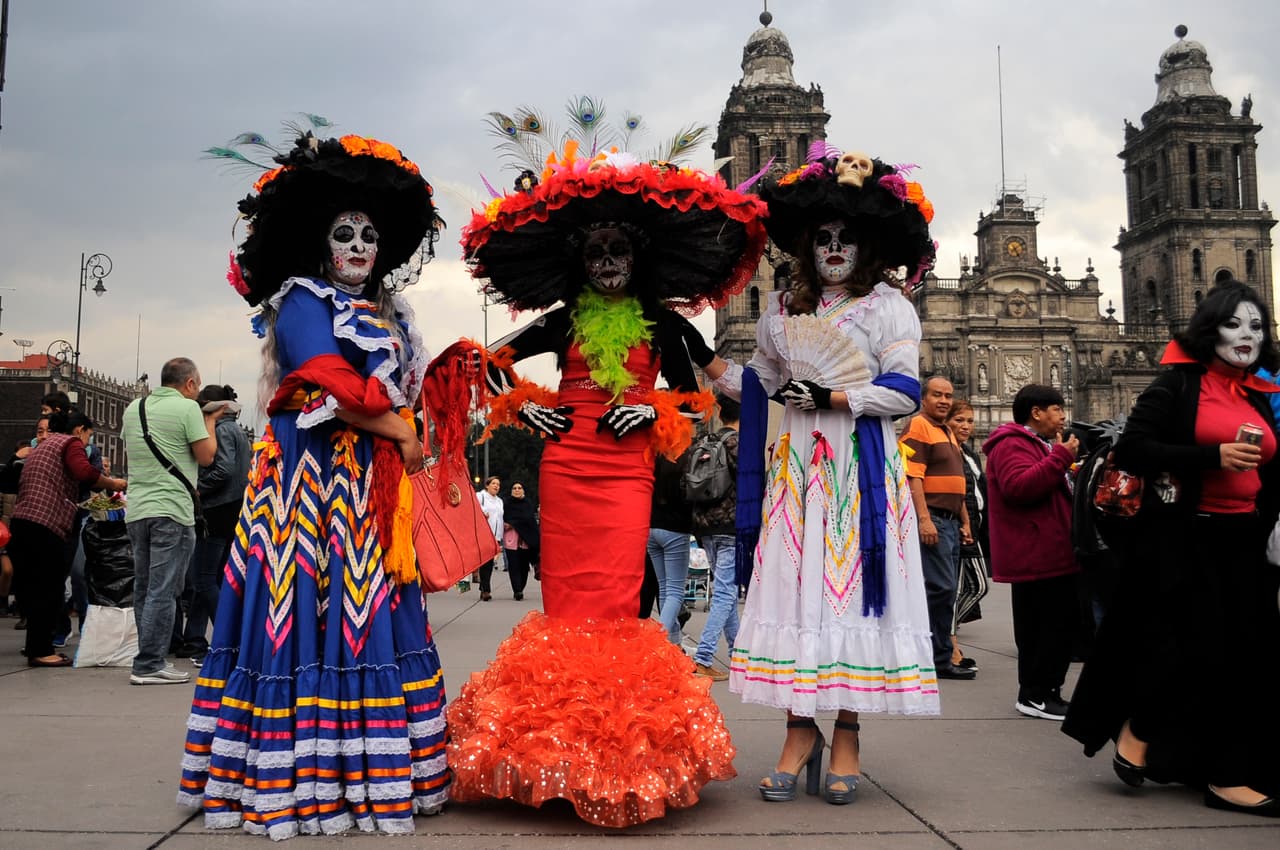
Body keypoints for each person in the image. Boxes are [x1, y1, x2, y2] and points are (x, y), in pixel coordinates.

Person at [446, 118, 768, 825]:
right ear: (580, 259)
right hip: (567, 469)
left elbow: (697, 397)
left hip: (626, 476)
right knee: (565, 603)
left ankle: (617, 753)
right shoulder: (565, 319)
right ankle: (555, 753)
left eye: (619, 249)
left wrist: (654, 409)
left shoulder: (662, 323)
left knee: (619, 600)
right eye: (596, 251)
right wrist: (527, 407)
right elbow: (485, 364)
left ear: (639, 254)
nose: (608, 261)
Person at [177, 130, 452, 838]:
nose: (359, 246)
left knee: (371, 613)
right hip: (310, 484)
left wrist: (423, 414)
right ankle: (307, 777)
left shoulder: (392, 316)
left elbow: (399, 390)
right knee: (302, 610)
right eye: (345, 234)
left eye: (369, 236)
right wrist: (400, 431)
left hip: (367, 489)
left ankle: (373, 769)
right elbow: (328, 380)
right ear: (321, 244)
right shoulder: (302, 300)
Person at [695, 143, 940, 805]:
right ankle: (799, 731)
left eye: (845, 237)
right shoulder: (782, 311)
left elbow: (903, 392)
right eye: (823, 237)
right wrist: (700, 357)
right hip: (797, 477)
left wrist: (832, 397)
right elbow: (757, 386)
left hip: (859, 473)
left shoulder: (888, 306)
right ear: (807, 245)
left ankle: (848, 733)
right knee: (796, 594)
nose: (834, 247)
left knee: (850, 596)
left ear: (866, 246)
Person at [1063, 281, 1280, 816]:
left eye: (1256, 326)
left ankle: (1193, 754)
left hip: (1246, 541)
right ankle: (1208, 768)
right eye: (1234, 324)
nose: (1247, 335)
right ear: (1210, 331)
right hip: (1189, 539)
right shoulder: (1178, 385)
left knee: (1247, 658)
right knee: (1203, 653)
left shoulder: (1256, 394)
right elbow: (1134, 448)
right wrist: (1211, 456)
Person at [982, 384, 1081, 721]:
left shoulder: (1037, 444)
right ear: (1036, 412)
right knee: (1044, 629)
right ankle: (1036, 695)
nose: (1063, 416)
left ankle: (1046, 691)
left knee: (1058, 627)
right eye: (1056, 409)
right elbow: (1019, 487)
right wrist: (1061, 457)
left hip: (1050, 550)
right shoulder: (1011, 444)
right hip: (1036, 553)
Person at [121, 357, 223, 685]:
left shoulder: (134, 408)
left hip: (138, 510)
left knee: (144, 588)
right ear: (190, 383)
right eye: (197, 385)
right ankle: (149, 663)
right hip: (171, 510)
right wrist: (209, 422)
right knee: (164, 590)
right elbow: (206, 457)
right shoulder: (188, 409)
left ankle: (147, 656)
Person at [8, 411, 126, 666]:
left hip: (23, 520)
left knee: (34, 589)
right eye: (88, 436)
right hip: (45, 523)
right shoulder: (70, 442)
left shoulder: (42, 446)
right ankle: (42, 651)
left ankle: (36, 647)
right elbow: (84, 472)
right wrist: (112, 484)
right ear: (80, 430)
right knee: (48, 588)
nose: (86, 443)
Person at [901, 375, 975, 681]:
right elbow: (912, 476)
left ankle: (939, 655)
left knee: (946, 590)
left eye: (948, 395)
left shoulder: (946, 431)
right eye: (937, 395)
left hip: (950, 521)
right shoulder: (919, 425)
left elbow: (956, 482)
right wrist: (923, 518)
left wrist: (965, 521)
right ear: (923, 399)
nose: (944, 400)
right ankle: (932, 656)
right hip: (933, 518)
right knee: (940, 588)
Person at [181, 384, 251, 665]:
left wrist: (199, 488)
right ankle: (194, 639)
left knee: (204, 578)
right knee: (213, 577)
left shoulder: (220, 431)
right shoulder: (237, 430)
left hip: (216, 510)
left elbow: (223, 469)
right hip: (233, 510)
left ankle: (228, 639)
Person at [691, 394, 741, 681]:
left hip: (706, 527)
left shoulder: (705, 441)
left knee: (726, 592)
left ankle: (739, 656)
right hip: (730, 525)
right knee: (725, 593)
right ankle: (703, 656)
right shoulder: (738, 444)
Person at [946, 399, 989, 669]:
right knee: (958, 587)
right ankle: (949, 644)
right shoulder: (947, 450)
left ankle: (940, 627)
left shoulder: (969, 453)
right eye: (959, 420)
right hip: (958, 527)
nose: (965, 426)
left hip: (974, 526)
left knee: (979, 586)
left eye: (969, 421)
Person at [648, 454, 694, 642]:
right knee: (675, 591)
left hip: (652, 528)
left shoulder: (656, 458)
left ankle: (673, 642)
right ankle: (658, 643)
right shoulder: (686, 460)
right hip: (676, 529)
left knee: (665, 588)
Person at [501, 481, 539, 601]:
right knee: (513, 566)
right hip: (511, 540)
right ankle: (517, 590)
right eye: (514, 488)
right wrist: (507, 524)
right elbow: (502, 518)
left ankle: (521, 587)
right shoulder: (506, 504)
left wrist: (513, 523)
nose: (517, 490)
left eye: (519, 488)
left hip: (525, 541)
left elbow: (528, 519)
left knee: (523, 567)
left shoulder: (527, 503)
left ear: (523, 490)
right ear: (511, 491)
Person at [475, 476, 503, 601]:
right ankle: (486, 590)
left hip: (495, 536)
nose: (496, 486)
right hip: (483, 534)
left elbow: (499, 518)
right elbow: (473, 507)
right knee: (485, 562)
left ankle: (483, 587)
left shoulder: (499, 501)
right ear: (487, 485)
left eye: (498, 484)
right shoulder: (480, 496)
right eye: (493, 483)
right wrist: (482, 513)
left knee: (489, 563)